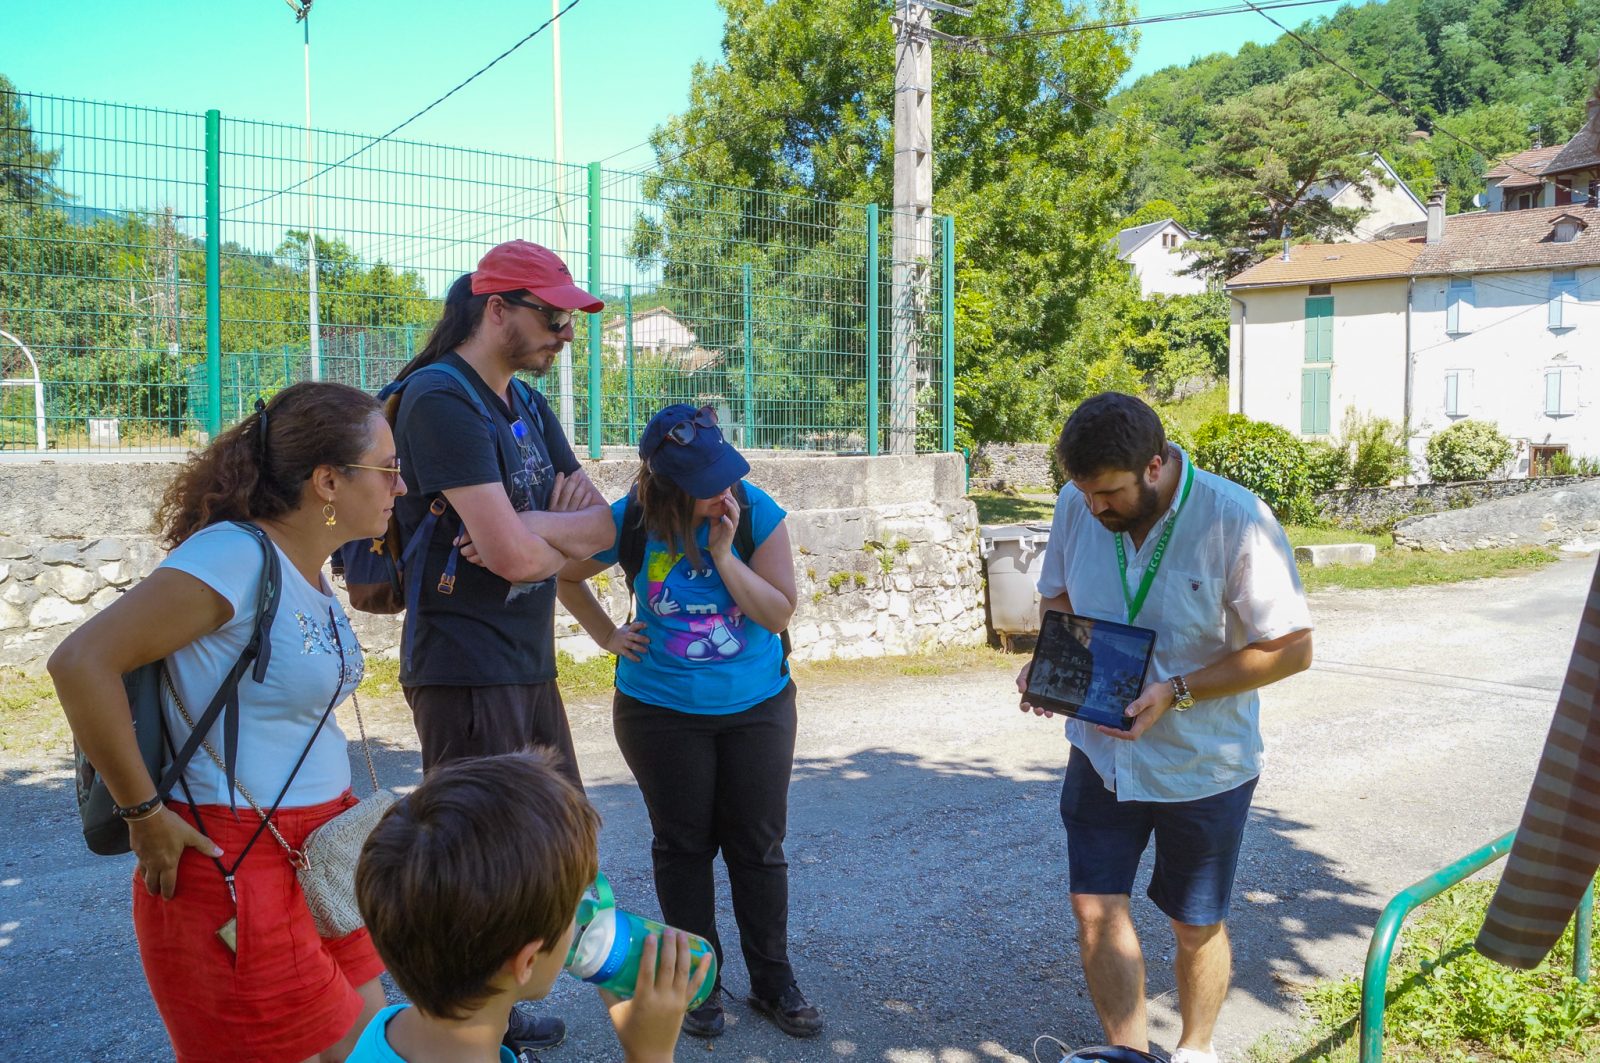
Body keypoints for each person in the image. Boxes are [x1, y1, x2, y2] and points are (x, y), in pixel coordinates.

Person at [49, 381, 405, 1063]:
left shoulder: (309, 568)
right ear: (328, 480)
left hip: (318, 855)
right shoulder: (235, 556)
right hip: (233, 866)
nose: (401, 483)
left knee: (370, 1052)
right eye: (386, 467)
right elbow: (80, 662)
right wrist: (143, 813)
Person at [1016, 392, 1313, 1063]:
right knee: (1095, 911)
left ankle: (1196, 1049)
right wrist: (1058, 664)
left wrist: (1175, 690)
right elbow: (1057, 592)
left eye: (1109, 493)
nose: (1095, 509)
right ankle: (1129, 1055)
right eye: (1084, 493)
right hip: (1100, 756)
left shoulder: (1236, 519)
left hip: (1202, 763)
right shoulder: (1078, 502)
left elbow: (1292, 647)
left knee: (1194, 922)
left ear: (1153, 466)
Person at [387, 240, 615, 1054]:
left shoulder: (524, 403)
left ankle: (500, 1013)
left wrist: (532, 528)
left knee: (555, 840)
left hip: (523, 658)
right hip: (464, 667)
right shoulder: (440, 400)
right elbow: (524, 558)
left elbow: (603, 536)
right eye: (554, 316)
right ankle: (466, 1028)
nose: (565, 332)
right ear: (497, 309)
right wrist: (540, 535)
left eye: (570, 320)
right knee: (479, 861)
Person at [554, 403, 822, 1040]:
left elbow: (778, 613)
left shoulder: (755, 512)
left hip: (756, 708)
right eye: (707, 486)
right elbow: (565, 576)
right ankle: (697, 980)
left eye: (725, 476)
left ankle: (772, 979)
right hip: (659, 713)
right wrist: (606, 636)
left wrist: (727, 556)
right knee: (683, 848)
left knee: (758, 847)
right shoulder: (633, 520)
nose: (722, 492)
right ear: (667, 483)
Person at [349, 749, 709, 1063]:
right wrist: (650, 1054)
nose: (583, 921)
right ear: (526, 961)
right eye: (575, 910)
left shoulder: (387, 1027)